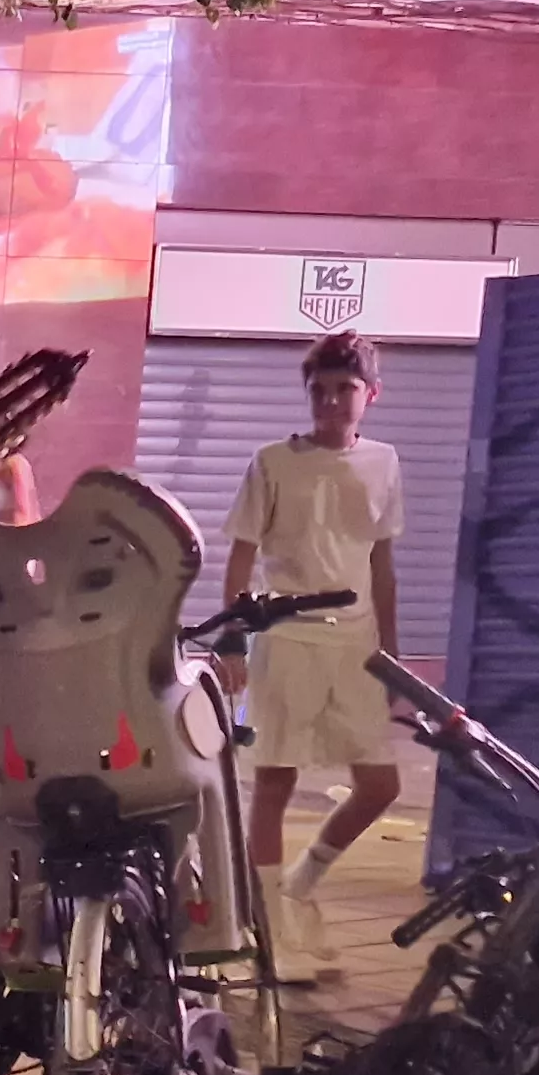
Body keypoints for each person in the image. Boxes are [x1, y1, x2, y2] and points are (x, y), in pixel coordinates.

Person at [216, 330, 405, 983]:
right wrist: (234, 638)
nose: (330, 400)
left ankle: (298, 885)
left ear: (371, 394)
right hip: (287, 636)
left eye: (345, 388)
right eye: (319, 389)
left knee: (381, 785)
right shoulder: (272, 463)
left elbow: (382, 563)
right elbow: (241, 554)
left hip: (356, 642)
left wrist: (392, 652)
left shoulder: (384, 463)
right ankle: (269, 934)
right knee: (275, 782)